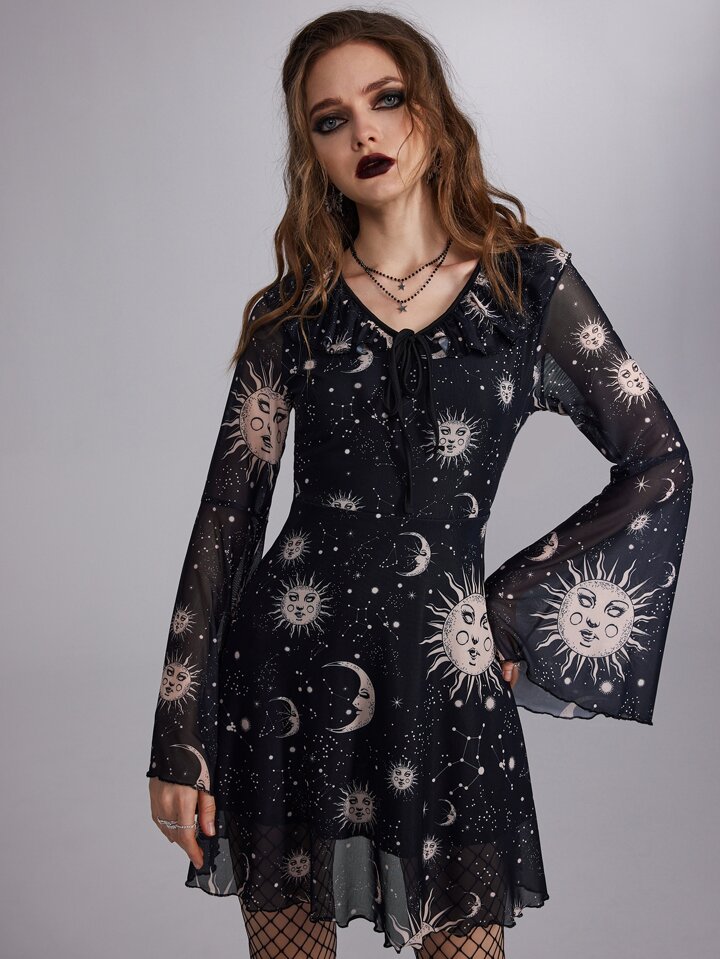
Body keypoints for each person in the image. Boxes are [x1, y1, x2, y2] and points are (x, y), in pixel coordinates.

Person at [146, 9, 693, 959]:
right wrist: (177, 738)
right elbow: (227, 519)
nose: (364, 131)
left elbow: (659, 461)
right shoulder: (292, 314)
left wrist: (512, 608)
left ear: (430, 113)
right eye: (330, 119)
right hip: (285, 678)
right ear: (312, 153)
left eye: (386, 99)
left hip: (446, 685)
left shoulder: (529, 289)